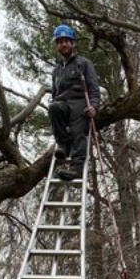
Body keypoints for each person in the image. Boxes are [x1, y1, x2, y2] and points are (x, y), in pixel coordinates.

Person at [48, 24, 100, 181]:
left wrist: (94, 106)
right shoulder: (56, 70)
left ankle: (76, 168)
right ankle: (63, 145)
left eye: (66, 41)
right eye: (60, 42)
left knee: (79, 129)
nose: (63, 44)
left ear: (73, 43)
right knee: (53, 107)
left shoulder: (83, 63)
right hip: (62, 102)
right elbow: (54, 93)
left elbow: (94, 88)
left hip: (79, 102)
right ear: (57, 45)